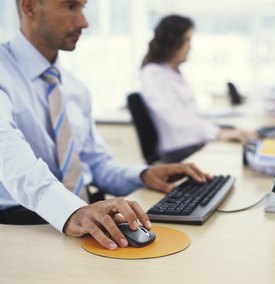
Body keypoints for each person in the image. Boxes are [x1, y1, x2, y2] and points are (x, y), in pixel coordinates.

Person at [0, 0, 210, 251]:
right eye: (70, 6)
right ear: (30, 7)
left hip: (84, 211)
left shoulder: (75, 89)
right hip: (23, 225)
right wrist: (72, 210)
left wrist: (143, 174)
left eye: (84, 7)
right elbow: (9, 156)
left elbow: (96, 164)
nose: (84, 22)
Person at [140, 15, 256, 159]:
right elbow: (176, 118)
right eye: (187, 40)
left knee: (246, 150)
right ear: (172, 41)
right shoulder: (152, 74)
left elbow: (191, 116)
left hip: (194, 142)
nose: (190, 46)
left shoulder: (173, 72)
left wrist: (223, 130)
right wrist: (217, 133)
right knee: (239, 158)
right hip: (179, 150)